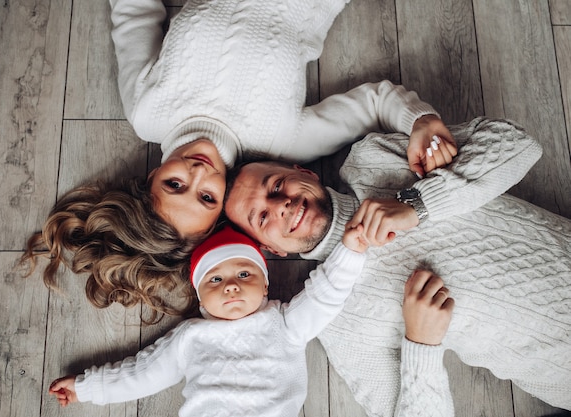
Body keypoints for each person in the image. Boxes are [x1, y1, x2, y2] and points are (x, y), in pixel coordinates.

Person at [21, 0, 456, 322]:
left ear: (150, 177)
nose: (197, 171)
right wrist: (420, 119)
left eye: (174, 185)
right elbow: (373, 104)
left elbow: (134, 13)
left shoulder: (147, 112)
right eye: (207, 196)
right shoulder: (282, 145)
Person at [224, 116, 571, 415]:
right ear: (270, 249)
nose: (281, 205)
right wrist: (422, 343)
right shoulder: (336, 321)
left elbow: (519, 143)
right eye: (263, 216)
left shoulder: (373, 159)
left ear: (304, 172)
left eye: (276, 185)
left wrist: (419, 203)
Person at [45, 225, 455, 416]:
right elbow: (143, 374)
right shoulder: (191, 336)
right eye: (217, 280)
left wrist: (350, 251)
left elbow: (324, 295)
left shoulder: (284, 322)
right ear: (200, 295)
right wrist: (89, 387)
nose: (231, 287)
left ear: (265, 284)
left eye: (245, 274)